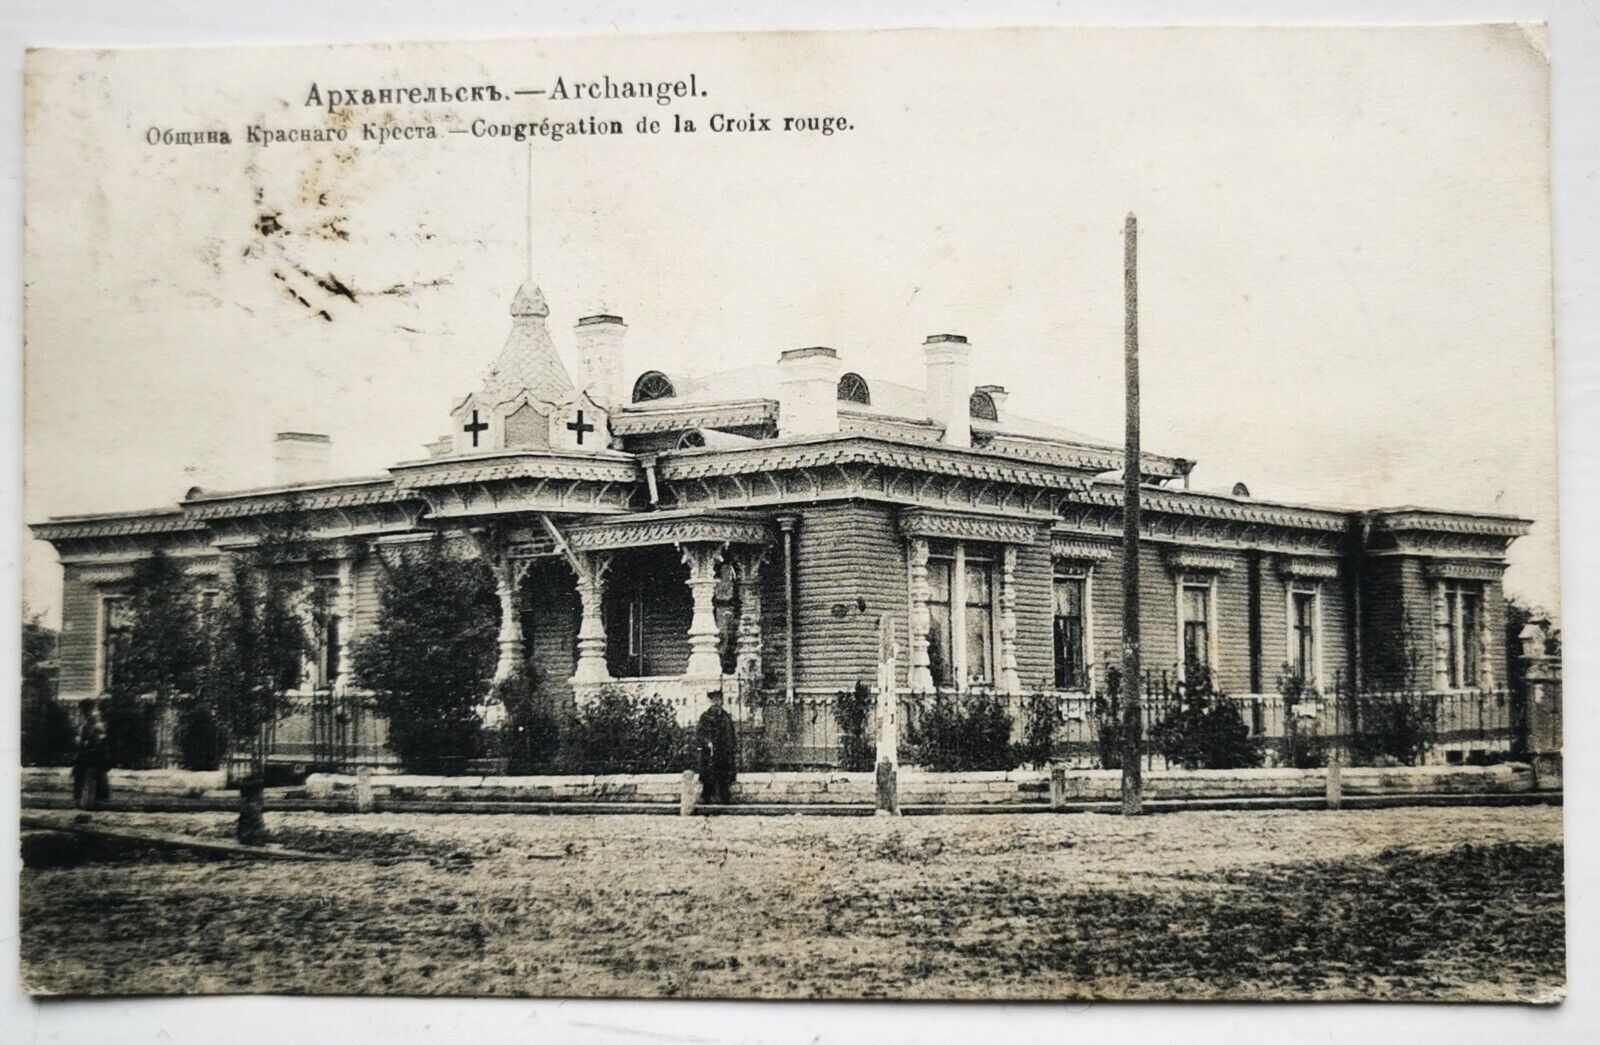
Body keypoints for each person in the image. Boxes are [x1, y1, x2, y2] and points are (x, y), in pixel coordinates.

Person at [696, 690, 738, 805]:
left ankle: (725, 797)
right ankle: (706, 797)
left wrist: (730, 748)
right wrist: (707, 742)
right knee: (708, 775)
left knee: (724, 774)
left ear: (721, 701)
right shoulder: (705, 717)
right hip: (709, 751)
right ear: (710, 701)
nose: (716, 702)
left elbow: (730, 734)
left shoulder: (725, 717)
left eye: (718, 700)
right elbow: (700, 733)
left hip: (723, 751)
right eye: (714, 700)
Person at [72, 698, 112, 810]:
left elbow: (98, 739)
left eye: (83, 710)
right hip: (90, 755)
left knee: (94, 777)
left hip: (94, 755)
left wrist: (85, 744)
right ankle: (88, 801)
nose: (82, 712)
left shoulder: (94, 723)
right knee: (86, 776)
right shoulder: (89, 722)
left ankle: (95, 802)